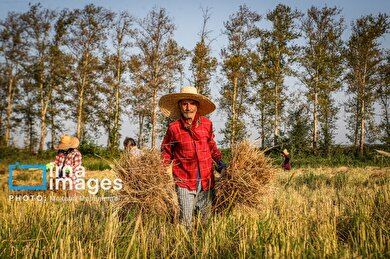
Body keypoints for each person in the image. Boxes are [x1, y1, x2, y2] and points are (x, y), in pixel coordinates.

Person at [159, 85, 226, 229]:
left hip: (206, 181)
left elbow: (211, 146)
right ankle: (186, 249)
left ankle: (203, 249)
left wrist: (220, 162)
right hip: (185, 180)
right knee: (186, 222)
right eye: (184, 104)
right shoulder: (174, 128)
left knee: (206, 222)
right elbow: (166, 152)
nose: (188, 107)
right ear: (180, 106)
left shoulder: (206, 124)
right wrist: (158, 172)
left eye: (192, 103)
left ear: (197, 105)